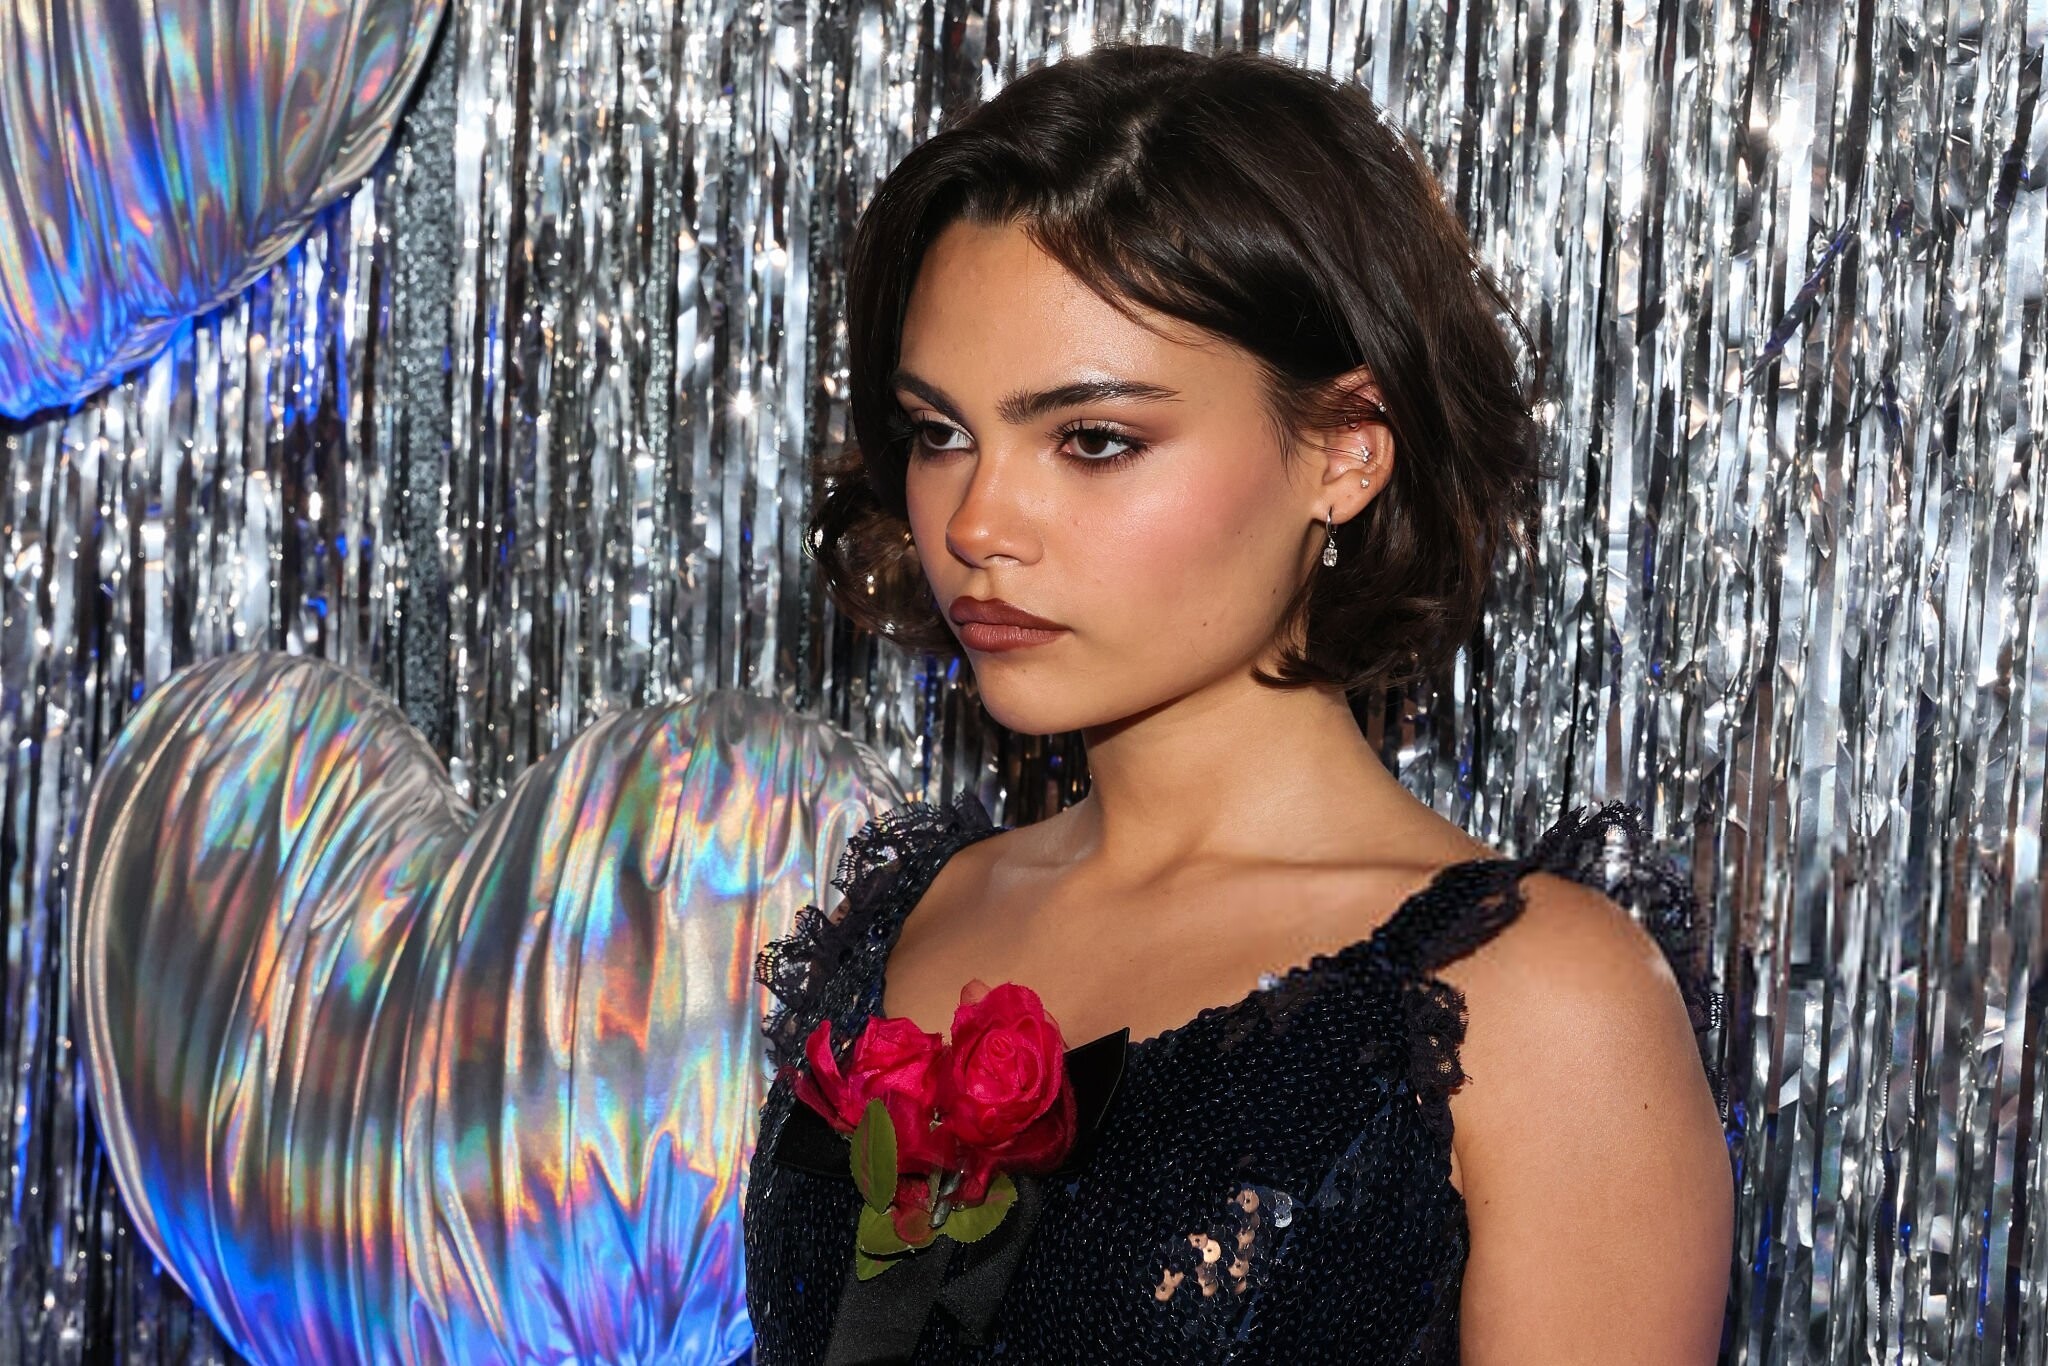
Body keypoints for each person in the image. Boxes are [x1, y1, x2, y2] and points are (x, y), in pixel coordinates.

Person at [742, 40, 1731, 1364]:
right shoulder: (913, 914)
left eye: (1093, 440)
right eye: (940, 433)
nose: (976, 523)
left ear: (1344, 451)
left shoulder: (1535, 998)